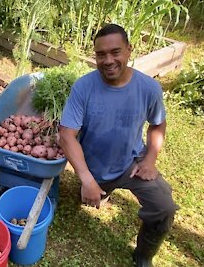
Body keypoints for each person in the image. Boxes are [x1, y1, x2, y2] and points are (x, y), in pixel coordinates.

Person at [59, 24, 179, 267]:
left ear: (129, 51)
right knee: (90, 199)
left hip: (131, 164)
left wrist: (150, 159)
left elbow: (158, 124)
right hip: (95, 166)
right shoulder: (84, 87)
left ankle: (144, 255)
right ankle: (101, 189)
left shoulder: (149, 88)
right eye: (101, 54)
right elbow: (66, 135)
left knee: (164, 207)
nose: (108, 60)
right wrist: (87, 180)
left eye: (116, 52)